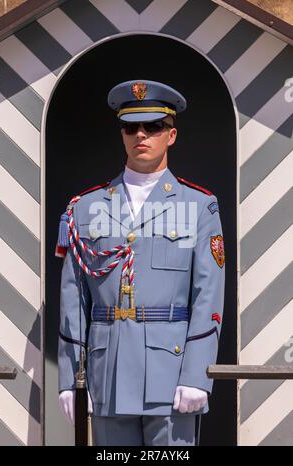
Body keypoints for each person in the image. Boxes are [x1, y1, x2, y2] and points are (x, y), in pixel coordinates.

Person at [56, 80, 225, 446]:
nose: (141, 135)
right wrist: (69, 378)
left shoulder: (199, 206)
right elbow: (73, 297)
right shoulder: (85, 207)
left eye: (153, 126)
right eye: (131, 127)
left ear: (172, 135)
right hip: (108, 375)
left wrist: (197, 374)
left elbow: (208, 295)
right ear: (122, 133)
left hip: (171, 374)